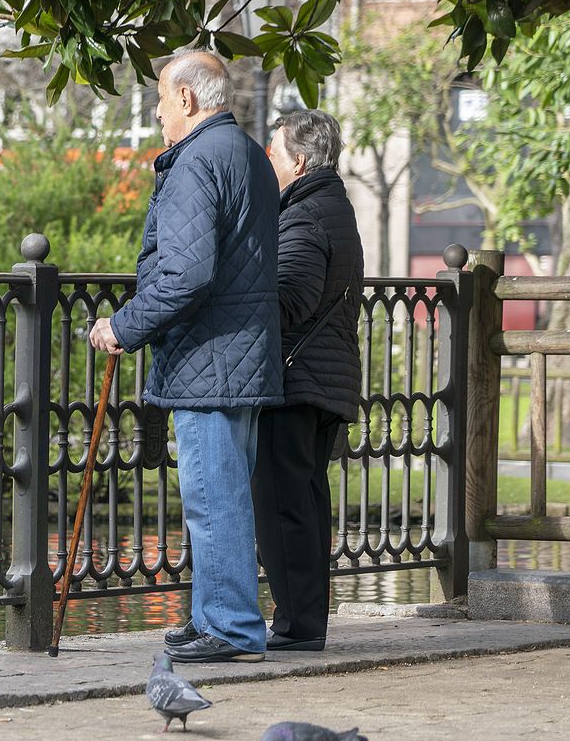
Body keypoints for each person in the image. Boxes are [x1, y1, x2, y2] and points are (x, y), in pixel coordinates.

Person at [88, 51, 282, 664]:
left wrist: (123, 326)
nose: (158, 111)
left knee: (212, 494)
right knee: (225, 491)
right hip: (243, 353)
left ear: (190, 101)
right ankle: (214, 618)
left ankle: (229, 627)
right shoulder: (248, 154)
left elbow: (186, 273)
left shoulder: (196, 161)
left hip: (209, 359)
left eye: (163, 99)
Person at [252, 109, 364, 652]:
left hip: (297, 381)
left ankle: (297, 627)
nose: (267, 161)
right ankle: (305, 623)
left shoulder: (304, 215)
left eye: (273, 152)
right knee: (306, 500)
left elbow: (290, 298)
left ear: (297, 160)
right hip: (323, 377)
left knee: (283, 504)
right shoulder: (331, 207)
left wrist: (241, 289)